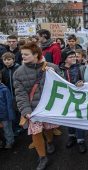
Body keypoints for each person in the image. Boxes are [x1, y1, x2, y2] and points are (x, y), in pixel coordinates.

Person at [14, 42, 61, 170]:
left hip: (49, 107)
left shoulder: (52, 67)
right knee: (36, 132)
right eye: (22, 54)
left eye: (26, 54)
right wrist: (26, 110)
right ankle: (42, 157)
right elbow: (20, 94)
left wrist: (54, 75)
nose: (22, 56)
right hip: (33, 109)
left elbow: (62, 86)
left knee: (48, 128)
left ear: (36, 54)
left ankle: (50, 141)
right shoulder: (18, 73)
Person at [59, 50, 87, 153]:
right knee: (69, 118)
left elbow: (85, 80)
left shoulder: (81, 68)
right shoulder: (59, 69)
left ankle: (81, 140)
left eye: (74, 56)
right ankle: (72, 136)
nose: (74, 58)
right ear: (65, 59)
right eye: (70, 57)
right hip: (66, 98)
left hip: (79, 97)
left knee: (79, 118)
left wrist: (82, 82)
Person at [1, 52, 21, 135]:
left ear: (13, 59)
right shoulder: (3, 71)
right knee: (13, 111)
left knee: (19, 111)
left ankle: (21, 126)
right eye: (4, 60)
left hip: (18, 94)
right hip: (9, 95)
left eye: (9, 59)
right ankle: (16, 127)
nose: (7, 61)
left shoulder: (18, 69)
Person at [0, 72, 15, 149]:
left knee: (7, 129)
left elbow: (9, 104)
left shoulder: (4, 90)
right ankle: (2, 142)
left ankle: (10, 142)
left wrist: (10, 115)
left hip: (5, 115)